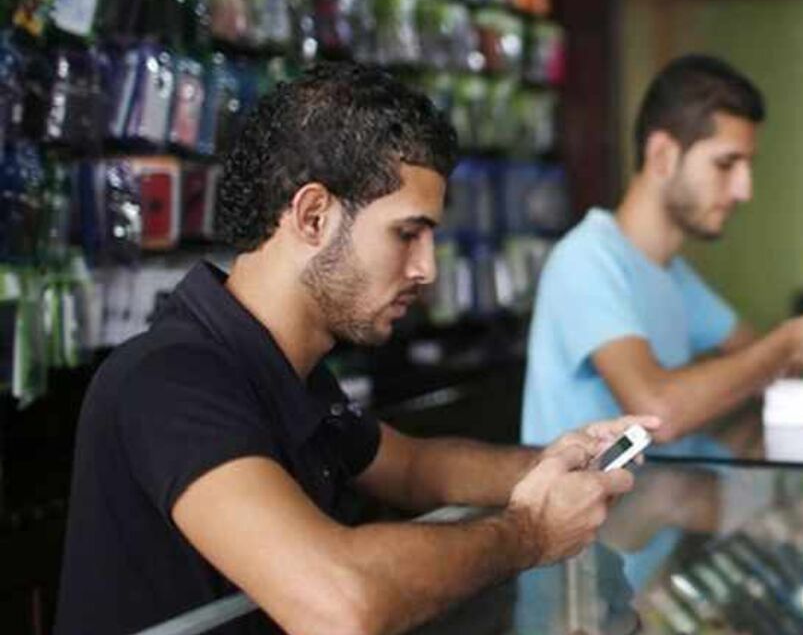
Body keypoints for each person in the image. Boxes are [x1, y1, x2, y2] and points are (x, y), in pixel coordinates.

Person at [56, 64, 652, 635]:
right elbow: (338, 603)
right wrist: (530, 533)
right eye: (406, 234)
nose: (425, 269)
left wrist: (556, 463)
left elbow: (416, 469)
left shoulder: (295, 372)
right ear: (313, 216)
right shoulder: (169, 381)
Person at [521, 54, 803, 457]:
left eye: (747, 166)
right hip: (599, 501)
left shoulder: (673, 274)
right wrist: (792, 341)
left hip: (679, 494)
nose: (744, 190)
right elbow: (657, 412)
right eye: (726, 164)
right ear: (662, 155)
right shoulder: (585, 260)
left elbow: (758, 357)